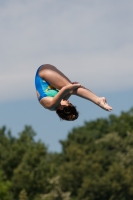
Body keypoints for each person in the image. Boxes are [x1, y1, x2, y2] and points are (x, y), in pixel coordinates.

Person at [35, 64, 113, 121]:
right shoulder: (58, 103)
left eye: (68, 103)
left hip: (43, 73)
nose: (68, 101)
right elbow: (69, 91)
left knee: (72, 88)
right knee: (72, 89)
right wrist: (72, 86)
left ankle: (98, 101)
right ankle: (98, 100)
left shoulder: (52, 104)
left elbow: (66, 89)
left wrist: (76, 85)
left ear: (62, 108)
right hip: (45, 76)